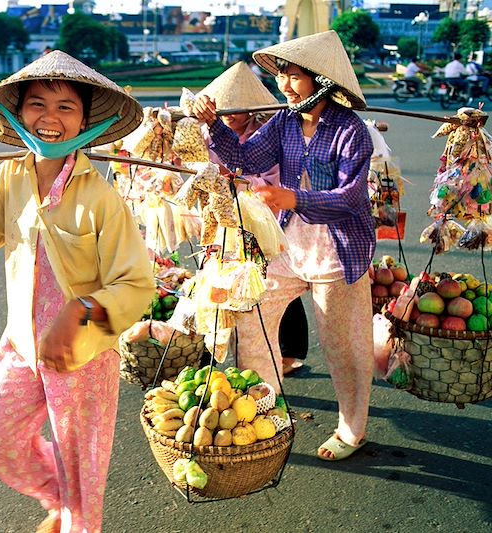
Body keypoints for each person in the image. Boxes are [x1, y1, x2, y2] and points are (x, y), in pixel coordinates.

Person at [0, 51, 153, 532]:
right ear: (17, 113)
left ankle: (76, 515)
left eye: (65, 108)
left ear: (85, 121)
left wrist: (79, 315)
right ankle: (60, 499)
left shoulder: (101, 197)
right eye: (37, 104)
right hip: (20, 341)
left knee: (83, 469)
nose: (49, 119)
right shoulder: (11, 175)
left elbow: (137, 286)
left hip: (84, 355)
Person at [194, 30, 374, 461]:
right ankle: (267, 414)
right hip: (286, 250)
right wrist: (213, 126)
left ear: (322, 80)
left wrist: (293, 198)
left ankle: (352, 431)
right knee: (251, 327)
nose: (285, 86)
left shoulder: (352, 132)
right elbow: (248, 159)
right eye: (283, 77)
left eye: (294, 77)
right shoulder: (284, 122)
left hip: (338, 254)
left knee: (343, 349)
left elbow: (351, 198)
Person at [198, 61, 309, 376]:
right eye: (223, 110)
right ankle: (216, 351)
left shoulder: (264, 132)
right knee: (219, 279)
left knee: (269, 279)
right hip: (220, 214)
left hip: (260, 214)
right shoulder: (205, 134)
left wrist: (238, 182)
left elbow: (272, 177)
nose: (230, 116)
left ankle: (290, 350)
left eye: (238, 109)